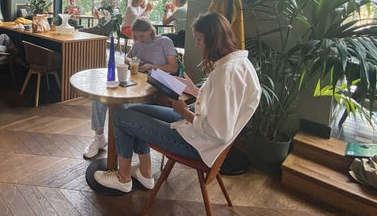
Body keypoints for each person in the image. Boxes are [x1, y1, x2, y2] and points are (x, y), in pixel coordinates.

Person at [93, 12, 261, 192]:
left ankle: (123, 178)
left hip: (196, 144)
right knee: (134, 110)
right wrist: (193, 90)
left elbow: (219, 133)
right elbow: (221, 105)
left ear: (214, 39)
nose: (196, 44)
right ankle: (145, 172)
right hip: (195, 128)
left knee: (121, 116)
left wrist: (184, 112)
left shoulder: (226, 73)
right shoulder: (240, 63)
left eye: (199, 39)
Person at [83, 18, 178, 159]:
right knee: (99, 98)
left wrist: (152, 66)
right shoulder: (138, 44)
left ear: (150, 31)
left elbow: (174, 67)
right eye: (136, 36)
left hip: (155, 88)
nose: (139, 39)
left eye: (142, 36)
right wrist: (130, 61)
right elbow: (128, 57)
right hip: (135, 83)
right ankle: (99, 137)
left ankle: (124, 145)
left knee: (124, 106)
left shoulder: (164, 42)